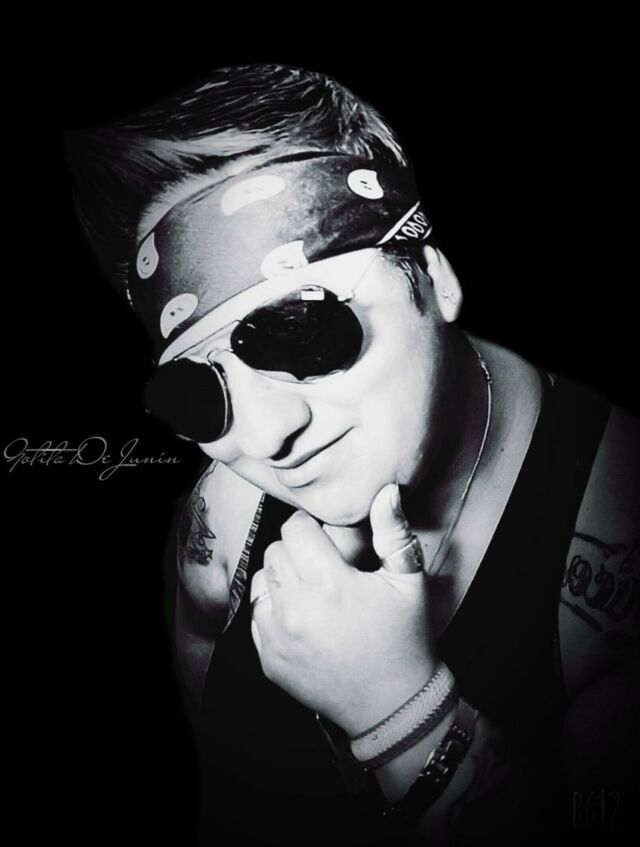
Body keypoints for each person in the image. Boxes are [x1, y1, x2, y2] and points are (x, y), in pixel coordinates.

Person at [63, 63, 639, 846]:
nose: (266, 435)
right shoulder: (224, 514)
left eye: (301, 332)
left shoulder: (613, 575)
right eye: (199, 394)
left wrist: (400, 711)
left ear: (432, 278)